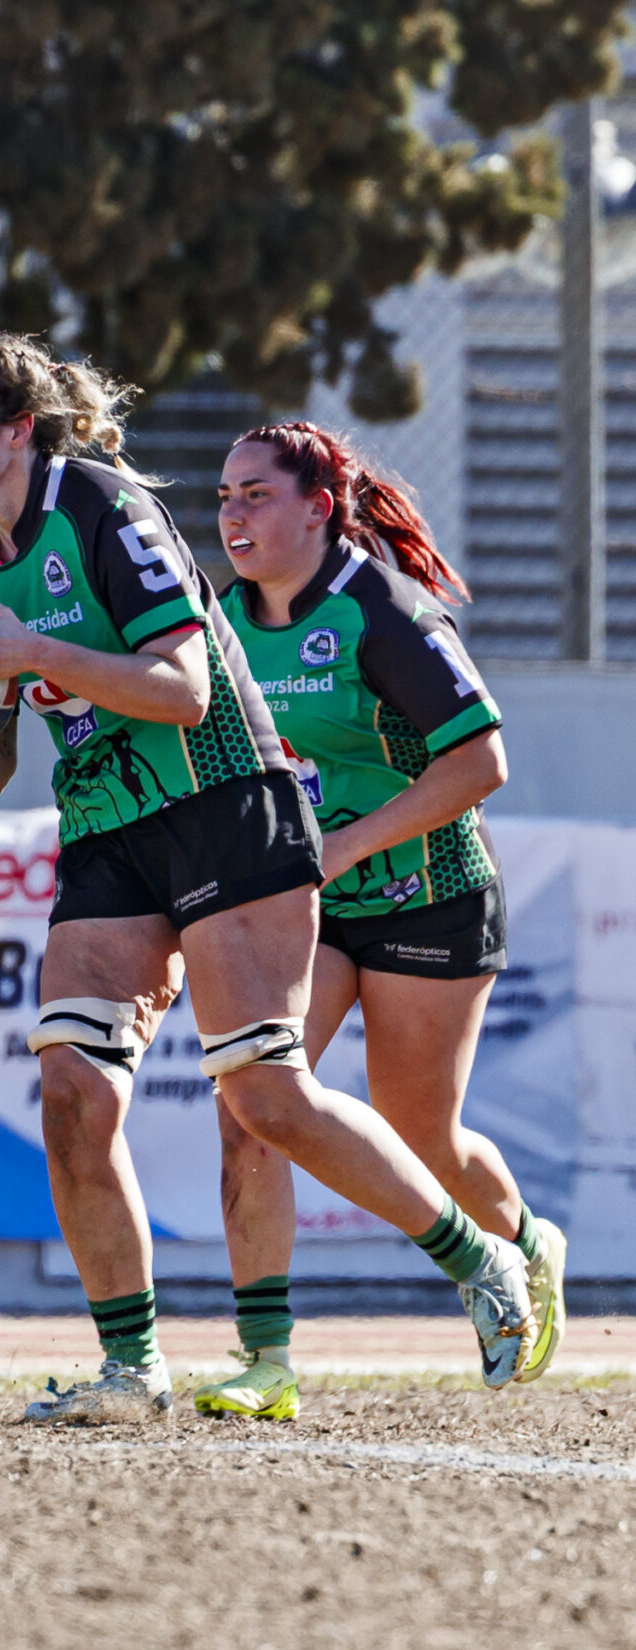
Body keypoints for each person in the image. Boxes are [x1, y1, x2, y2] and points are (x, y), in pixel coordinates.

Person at [0, 329, 536, 1423]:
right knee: (71, 1090)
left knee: (263, 1094)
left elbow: (182, 690)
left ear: (17, 430)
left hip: (225, 803)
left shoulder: (101, 506)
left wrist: (28, 654)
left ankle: (480, 1258)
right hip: (107, 824)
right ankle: (132, 1368)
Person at [189, 422, 560, 1420]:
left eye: (256, 494)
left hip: (426, 895)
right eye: (224, 496)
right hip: (304, 905)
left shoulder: (382, 608)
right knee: (253, 1103)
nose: (232, 514)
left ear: (318, 508)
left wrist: (346, 844)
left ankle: (524, 1245)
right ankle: (265, 1361)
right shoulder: (218, 622)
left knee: (419, 1137)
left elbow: (480, 761)